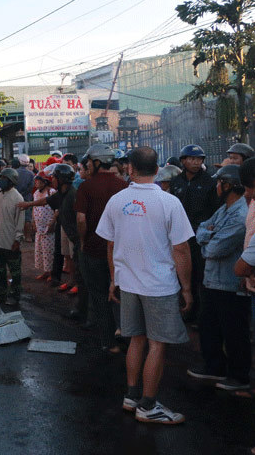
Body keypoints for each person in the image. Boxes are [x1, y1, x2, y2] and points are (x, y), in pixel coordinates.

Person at [97, 146, 193, 424]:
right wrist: (186, 288)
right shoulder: (169, 202)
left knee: (135, 341)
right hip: (159, 286)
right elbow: (182, 250)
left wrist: (114, 279)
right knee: (157, 345)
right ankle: (148, 406)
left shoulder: (117, 200)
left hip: (128, 283)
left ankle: (132, 396)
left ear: (130, 168)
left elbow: (110, 243)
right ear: (157, 170)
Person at [187, 164, 251, 391]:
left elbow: (214, 250)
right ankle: (214, 367)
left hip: (229, 283)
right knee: (209, 325)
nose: (215, 187)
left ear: (229, 186)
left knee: (234, 331)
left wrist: (207, 238)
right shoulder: (224, 208)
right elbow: (201, 229)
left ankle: (239, 376)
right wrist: (208, 235)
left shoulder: (241, 214)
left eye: (219, 183)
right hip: (213, 280)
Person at [75, 144, 128, 352]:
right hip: (120, 253)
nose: (87, 165)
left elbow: (81, 219)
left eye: (88, 162)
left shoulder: (86, 187)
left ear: (96, 162)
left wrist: (82, 240)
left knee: (99, 295)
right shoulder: (123, 186)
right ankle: (126, 333)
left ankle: (109, 342)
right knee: (121, 294)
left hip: (94, 250)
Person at [170, 144, 221, 321]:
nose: (195, 162)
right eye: (191, 159)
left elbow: (216, 210)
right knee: (182, 275)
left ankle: (202, 316)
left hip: (201, 237)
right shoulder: (176, 182)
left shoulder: (209, 182)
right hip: (179, 237)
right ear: (183, 161)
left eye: (199, 159)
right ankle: (185, 312)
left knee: (201, 276)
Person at [0, 167, 24, 306]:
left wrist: (17, 239)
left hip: (10, 242)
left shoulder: (17, 198)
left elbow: (20, 221)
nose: (1, 180)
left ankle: (16, 295)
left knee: (15, 272)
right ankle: (1, 294)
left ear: (11, 181)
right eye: (1, 178)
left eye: (4, 178)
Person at [30, 173, 57, 280]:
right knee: (41, 249)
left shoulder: (52, 192)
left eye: (38, 181)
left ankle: (51, 272)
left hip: (48, 225)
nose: (36, 183)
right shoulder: (36, 193)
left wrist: (53, 222)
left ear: (45, 182)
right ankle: (46, 271)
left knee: (50, 249)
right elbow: (34, 207)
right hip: (39, 225)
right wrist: (33, 221)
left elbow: (57, 210)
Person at [14, 156, 35, 242]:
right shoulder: (31, 174)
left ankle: (17, 236)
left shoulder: (14, 172)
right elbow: (31, 187)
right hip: (27, 198)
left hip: (15, 197)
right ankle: (28, 237)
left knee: (15, 217)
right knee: (27, 219)